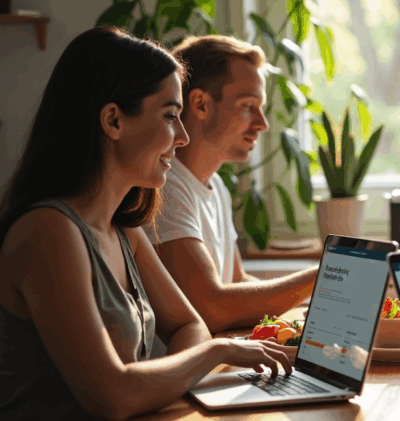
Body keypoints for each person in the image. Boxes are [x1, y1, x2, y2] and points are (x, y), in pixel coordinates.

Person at [0, 27, 293, 420]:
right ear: (113, 121)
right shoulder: (48, 232)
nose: (183, 136)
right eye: (171, 116)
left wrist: (183, 371)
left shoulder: (124, 231)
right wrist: (214, 353)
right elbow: (114, 395)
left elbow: (188, 322)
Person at [148, 35, 318, 335]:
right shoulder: (166, 187)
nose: (262, 123)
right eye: (248, 106)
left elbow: (237, 283)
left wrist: (303, 313)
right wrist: (326, 276)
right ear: (200, 104)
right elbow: (212, 308)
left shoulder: (215, 186)